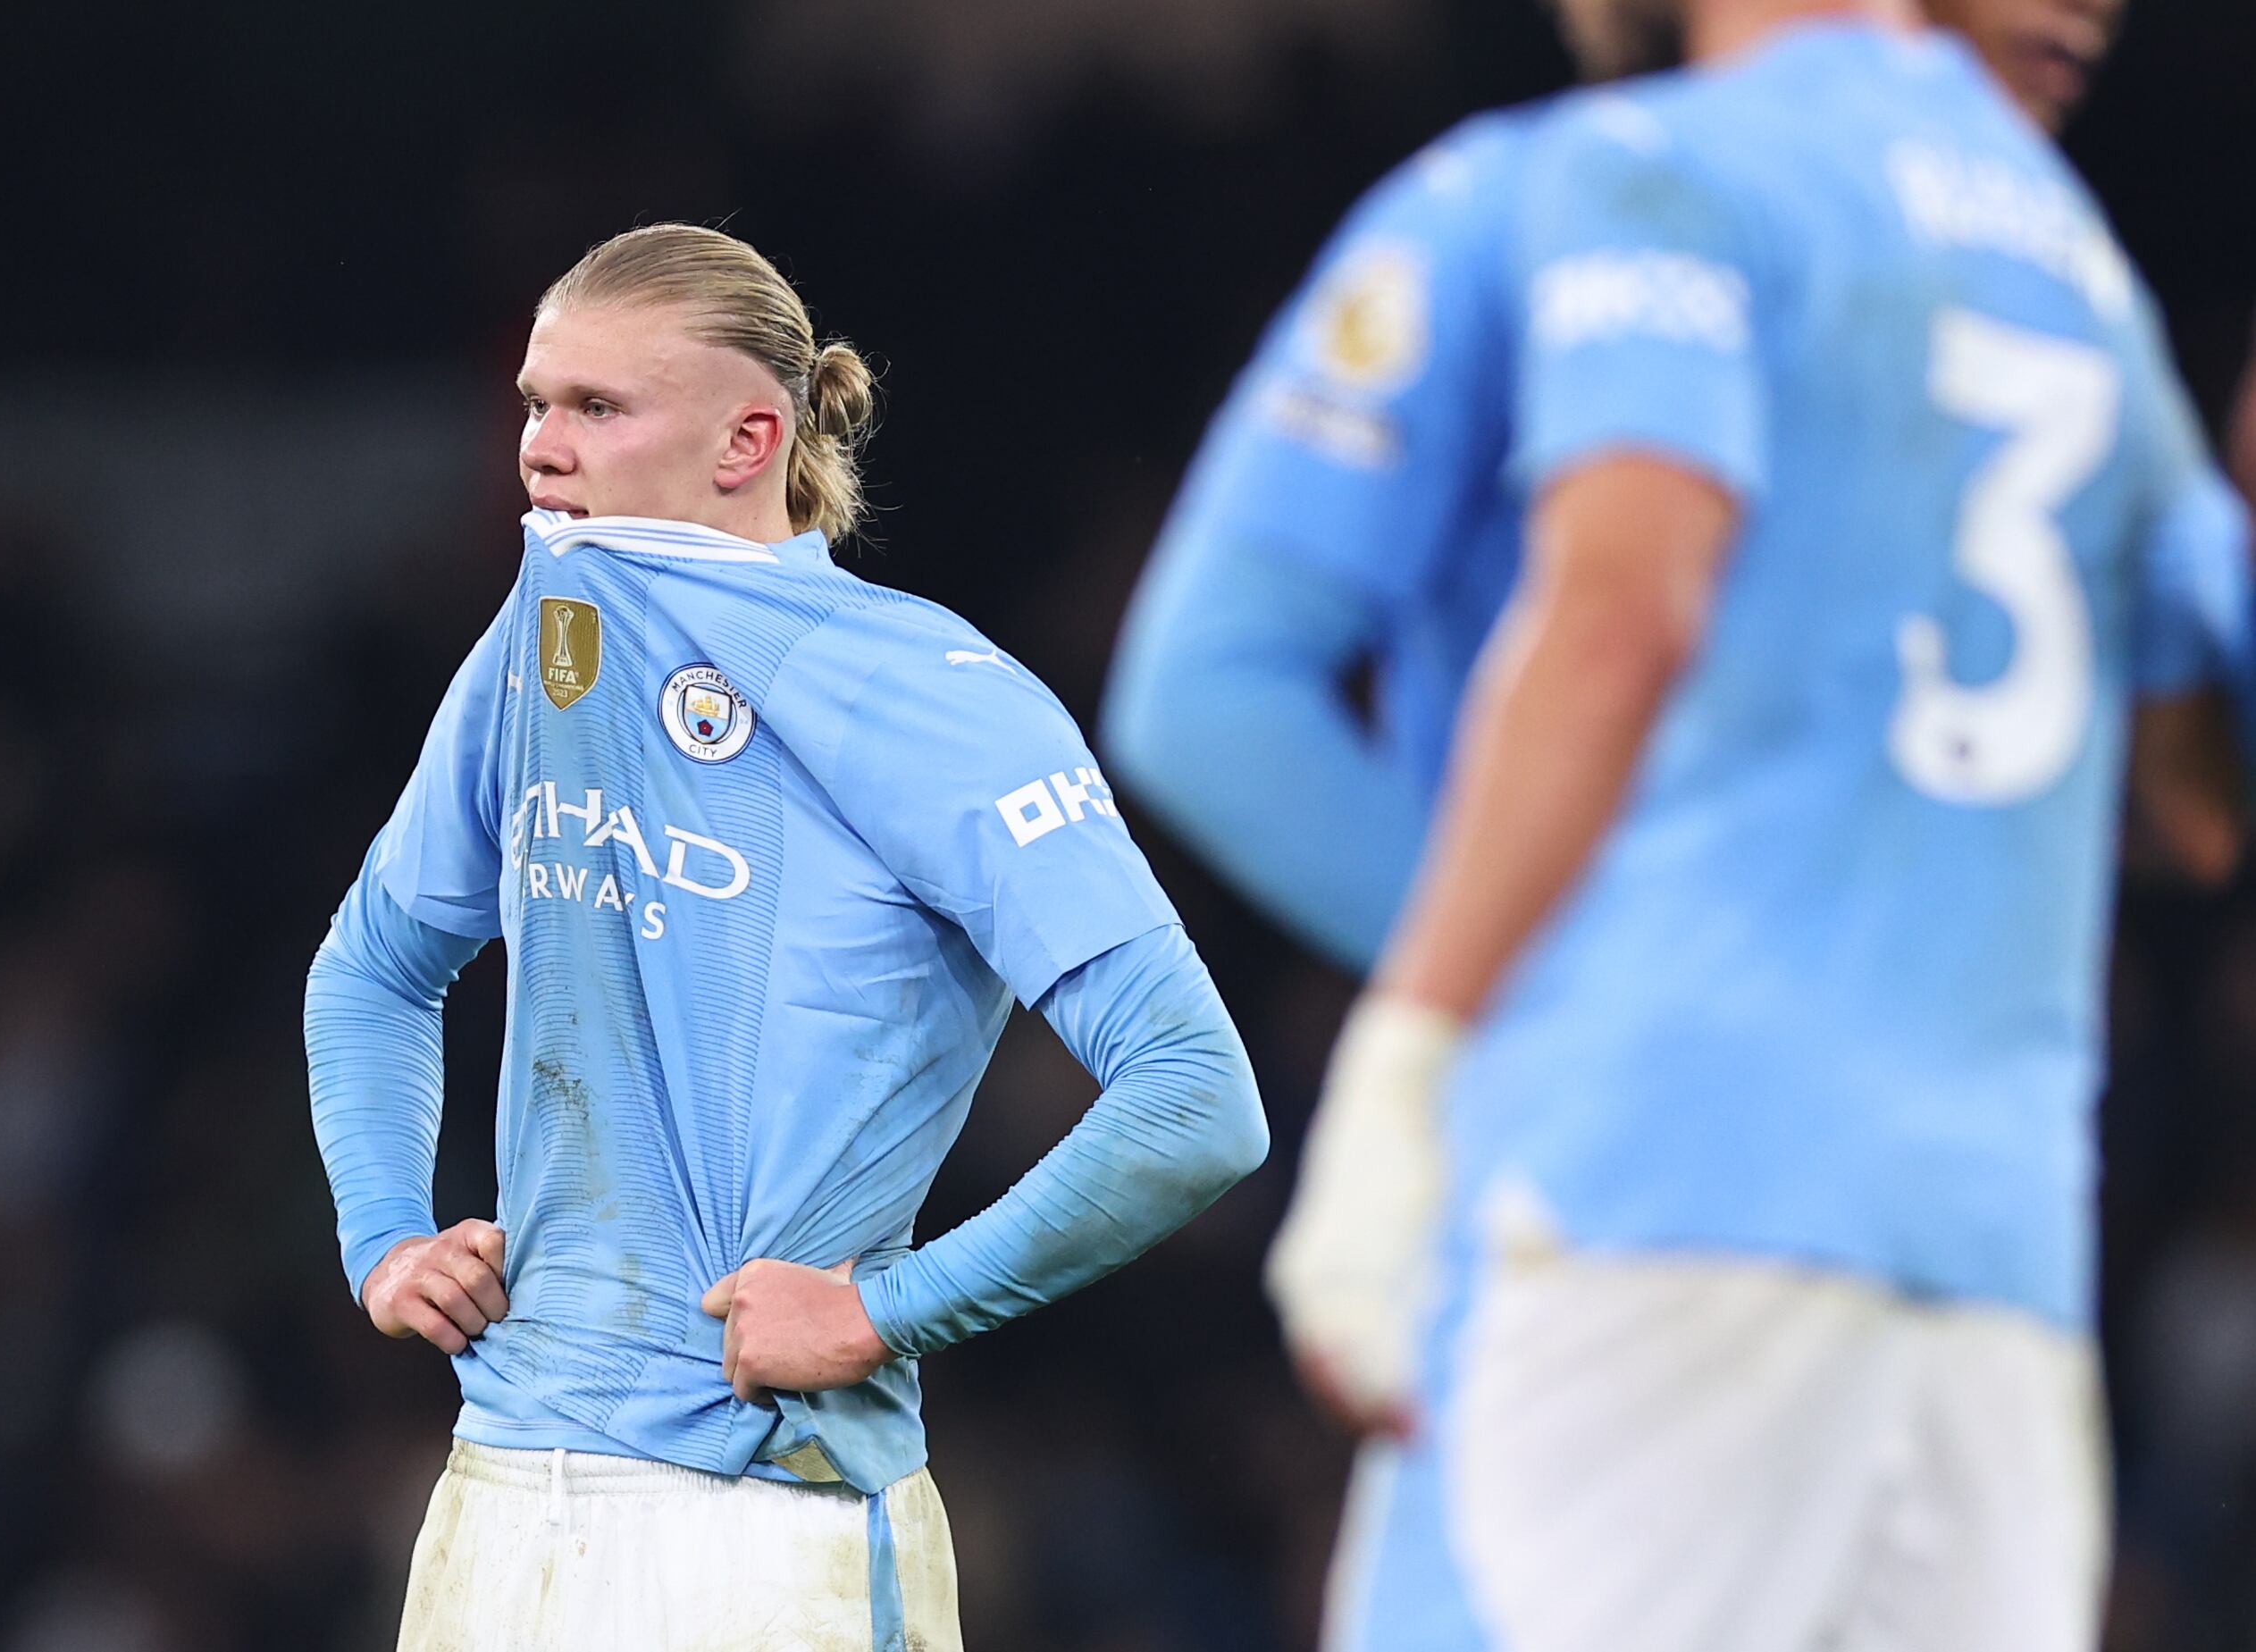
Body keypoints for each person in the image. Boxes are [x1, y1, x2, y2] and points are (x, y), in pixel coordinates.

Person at [1300, 0, 2252, 1644]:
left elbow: (1620, 614)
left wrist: (1404, 1056)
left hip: (1669, 1202)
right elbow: (2197, 788)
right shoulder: (2069, 260)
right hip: (1996, 1277)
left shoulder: (1663, 161)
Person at [302, 223, 1268, 1651]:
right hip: (501, 1496)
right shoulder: (533, 652)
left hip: (768, 1521)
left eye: (596, 408)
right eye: (533, 403)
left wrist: (886, 1310)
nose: (539, 449)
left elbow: (1196, 1097)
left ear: (748, 437)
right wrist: (382, 1231)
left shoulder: (933, 691)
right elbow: (374, 965)